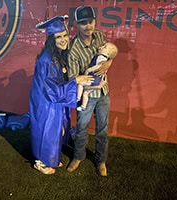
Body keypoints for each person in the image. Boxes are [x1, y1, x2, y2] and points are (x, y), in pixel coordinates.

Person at [29, 15, 94, 175]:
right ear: (51, 39)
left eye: (65, 35)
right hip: (46, 103)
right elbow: (50, 90)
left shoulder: (59, 55)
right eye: (59, 37)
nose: (64, 39)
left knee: (58, 130)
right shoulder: (47, 60)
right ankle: (41, 161)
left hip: (56, 100)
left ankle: (50, 157)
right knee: (48, 131)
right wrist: (76, 81)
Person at [67, 5, 113, 176]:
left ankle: (101, 160)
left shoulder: (100, 36)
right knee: (81, 128)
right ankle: (78, 156)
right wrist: (92, 82)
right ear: (77, 25)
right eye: (83, 23)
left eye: (91, 21)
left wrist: (108, 63)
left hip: (104, 93)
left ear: (95, 21)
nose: (88, 26)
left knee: (103, 128)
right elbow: (73, 78)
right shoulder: (73, 49)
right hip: (86, 93)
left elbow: (109, 56)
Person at [77, 42, 118, 111]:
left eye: (104, 47)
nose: (101, 47)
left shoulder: (101, 57)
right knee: (86, 93)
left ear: (108, 54)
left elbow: (99, 66)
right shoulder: (104, 58)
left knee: (80, 84)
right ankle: (83, 106)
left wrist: (88, 70)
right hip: (97, 80)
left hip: (94, 78)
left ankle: (78, 97)